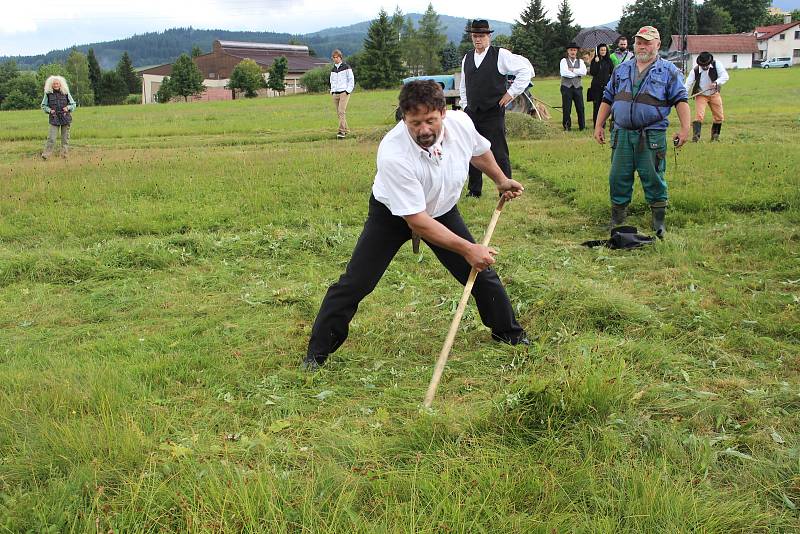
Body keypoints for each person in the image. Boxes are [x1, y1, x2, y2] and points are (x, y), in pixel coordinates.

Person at [302, 80, 528, 371]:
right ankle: (316, 355)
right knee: (356, 283)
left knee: (481, 274)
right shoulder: (393, 153)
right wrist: (468, 248)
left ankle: (509, 334)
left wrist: (500, 179)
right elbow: (418, 221)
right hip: (392, 216)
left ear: (443, 113)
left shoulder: (460, 123)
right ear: (403, 118)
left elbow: (479, 151)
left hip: (442, 210)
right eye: (415, 122)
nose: (423, 130)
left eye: (430, 120)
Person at [592, 25, 690, 238]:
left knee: (653, 177)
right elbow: (608, 98)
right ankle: (617, 220)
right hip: (622, 134)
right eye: (639, 42)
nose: (642, 46)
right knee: (617, 177)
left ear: (657, 44)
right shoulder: (621, 69)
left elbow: (681, 100)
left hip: (652, 135)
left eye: (647, 42)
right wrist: (598, 125)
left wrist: (685, 129)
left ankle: (659, 223)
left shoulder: (669, 71)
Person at [458, 19, 533, 198]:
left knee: (499, 150)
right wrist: (465, 105)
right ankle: (474, 190)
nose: (478, 39)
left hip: (493, 111)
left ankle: (507, 189)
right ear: (471, 37)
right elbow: (464, 84)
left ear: (489, 36)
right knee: (472, 151)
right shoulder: (467, 57)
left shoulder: (501, 55)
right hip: (472, 112)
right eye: (475, 36)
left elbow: (525, 70)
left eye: (481, 36)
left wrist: (511, 93)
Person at [684, 51, 728, 142]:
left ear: (709, 63)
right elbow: (688, 84)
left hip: (714, 94)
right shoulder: (695, 71)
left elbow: (725, 76)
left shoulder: (717, 65)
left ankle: (715, 137)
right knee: (699, 116)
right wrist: (682, 95)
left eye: (706, 65)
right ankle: (696, 137)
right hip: (701, 95)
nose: (704, 67)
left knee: (719, 117)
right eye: (702, 65)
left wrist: (716, 83)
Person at [40, 75, 76, 159]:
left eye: (57, 83)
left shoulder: (66, 92)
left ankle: (64, 156)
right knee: (51, 138)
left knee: (65, 139)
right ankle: (46, 155)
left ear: (61, 84)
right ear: (51, 85)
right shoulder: (48, 94)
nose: (56, 85)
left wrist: (68, 107)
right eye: (54, 84)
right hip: (54, 118)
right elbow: (43, 105)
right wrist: (49, 110)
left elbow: (73, 104)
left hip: (65, 117)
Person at [559, 42, 587, 131]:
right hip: (566, 87)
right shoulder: (563, 61)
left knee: (580, 108)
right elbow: (564, 73)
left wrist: (572, 70)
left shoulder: (581, 61)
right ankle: (567, 127)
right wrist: (577, 72)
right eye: (571, 50)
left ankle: (582, 127)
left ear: (577, 51)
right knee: (567, 108)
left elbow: (584, 72)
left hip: (578, 87)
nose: (573, 52)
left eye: (574, 50)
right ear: (568, 51)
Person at [329, 49, 354, 139]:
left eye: (337, 57)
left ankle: (341, 131)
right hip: (335, 93)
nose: (335, 59)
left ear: (340, 57)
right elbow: (331, 81)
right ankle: (347, 130)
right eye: (334, 57)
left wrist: (348, 91)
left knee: (341, 111)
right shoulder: (333, 69)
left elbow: (351, 79)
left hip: (344, 92)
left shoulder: (346, 67)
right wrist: (332, 91)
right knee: (339, 113)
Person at [588, 43, 614, 129]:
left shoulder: (609, 61)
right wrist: (596, 63)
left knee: (605, 106)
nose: (603, 51)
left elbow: (612, 72)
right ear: (598, 51)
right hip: (596, 87)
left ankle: (604, 124)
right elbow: (593, 73)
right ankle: (596, 124)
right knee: (596, 106)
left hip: (606, 87)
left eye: (604, 50)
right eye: (601, 50)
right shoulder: (595, 60)